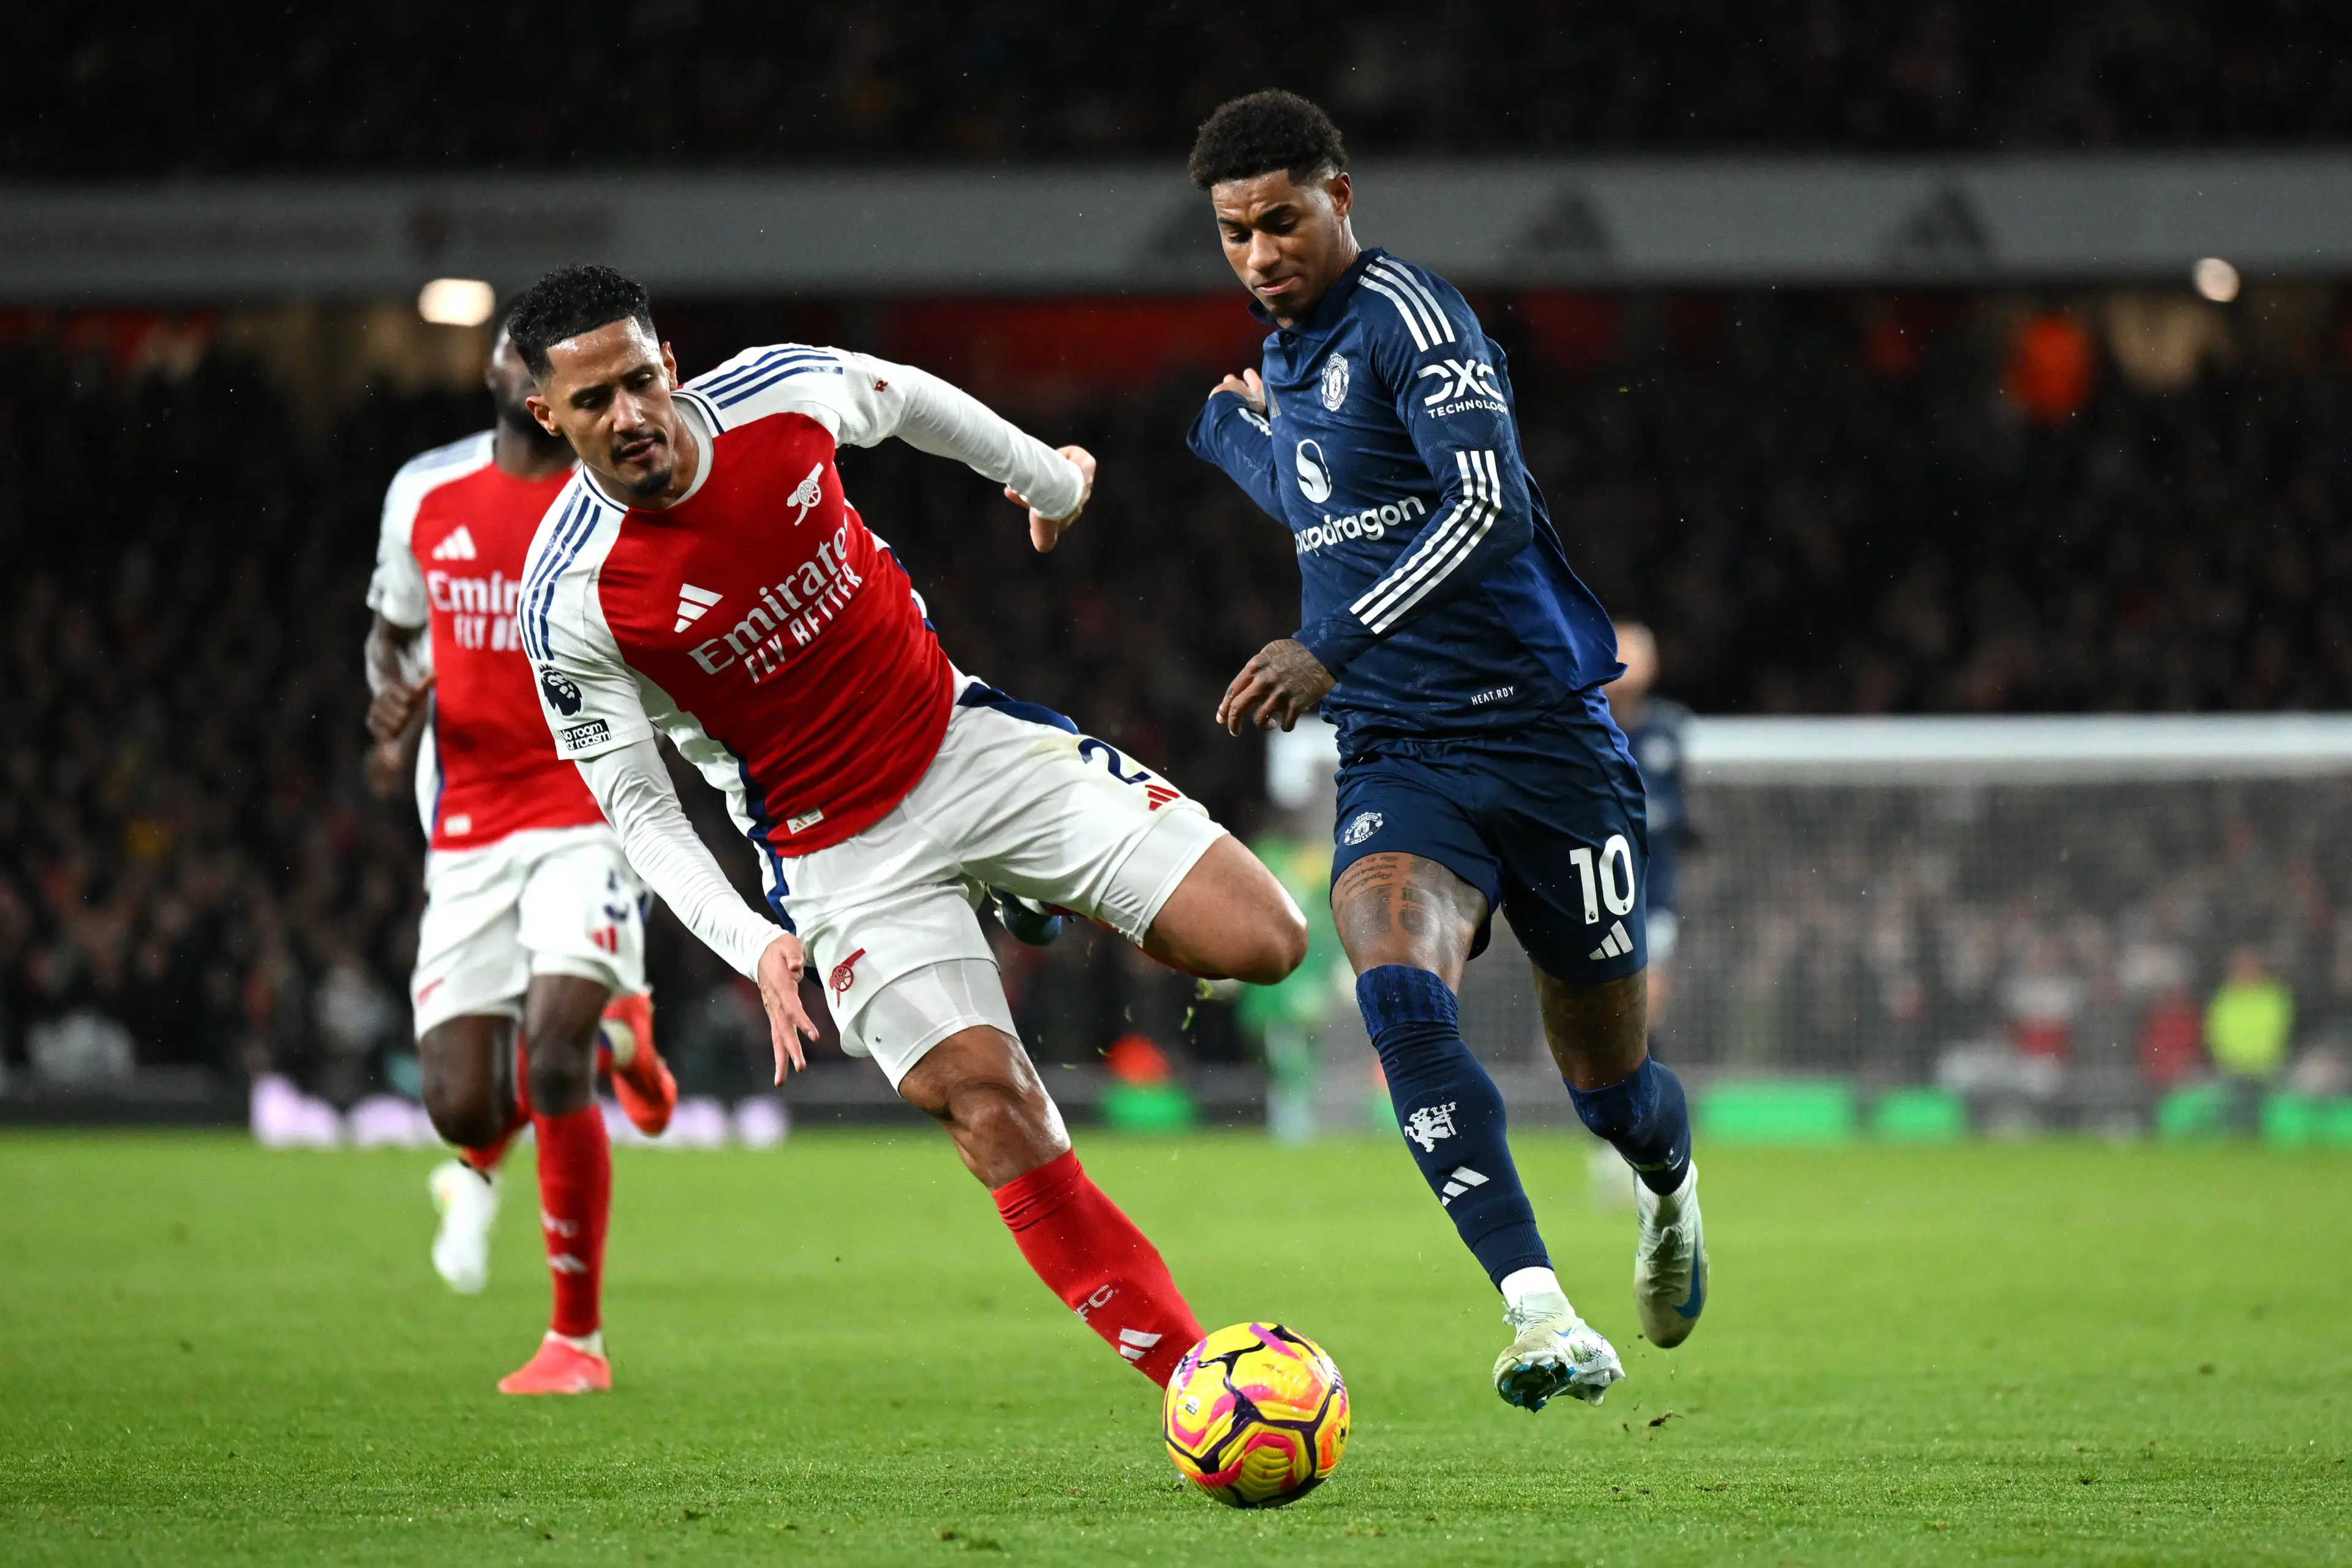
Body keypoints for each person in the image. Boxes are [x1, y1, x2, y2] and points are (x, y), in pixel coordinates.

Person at [504, 265, 1308, 1389]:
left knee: (1267, 942)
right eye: (593, 401)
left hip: (965, 745)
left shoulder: (778, 394)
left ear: (669, 363)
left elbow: (911, 400)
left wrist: (1049, 482)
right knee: (988, 1102)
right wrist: (753, 942)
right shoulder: (567, 598)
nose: (630, 414)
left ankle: (1029, 883)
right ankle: (1198, 1385)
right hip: (839, 857)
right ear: (547, 414)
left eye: (640, 380)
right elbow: (639, 806)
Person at [1185, 91, 1704, 1412]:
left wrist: (1327, 643)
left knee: (1611, 1090)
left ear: (1341, 195)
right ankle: (1539, 1311)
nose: (1260, 253)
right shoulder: (1287, 356)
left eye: (1282, 220)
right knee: (1395, 987)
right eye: (1236, 233)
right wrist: (1236, 436)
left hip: (1546, 737)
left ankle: (1670, 1186)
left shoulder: (1414, 317)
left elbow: (1488, 505)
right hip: (1401, 750)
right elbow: (1339, 502)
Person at [364, 322, 682, 1395]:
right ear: (503, 376)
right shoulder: (425, 493)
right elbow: (392, 634)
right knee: (462, 1104)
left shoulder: (618, 497)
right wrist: (389, 711)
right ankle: (624, 1040)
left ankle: (575, 1342)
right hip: (469, 818)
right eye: (516, 351)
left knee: (550, 1055)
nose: (526, 367)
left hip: (590, 803)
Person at [1602, 624, 1695, 1029]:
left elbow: (1685, 807)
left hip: (1654, 882)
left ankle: (1637, 1046)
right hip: (1592, 876)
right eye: (1619, 652)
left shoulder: (1669, 728)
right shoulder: (1581, 726)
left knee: (1651, 971)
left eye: (1637, 654)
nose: (1627, 665)